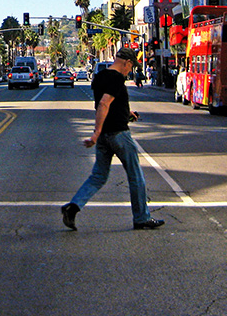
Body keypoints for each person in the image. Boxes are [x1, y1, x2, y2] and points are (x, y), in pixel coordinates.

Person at [61, 47, 164, 231]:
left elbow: (108, 104)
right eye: (131, 66)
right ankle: (141, 218)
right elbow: (104, 103)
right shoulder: (117, 78)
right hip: (118, 134)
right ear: (126, 62)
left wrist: (127, 114)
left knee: (98, 176)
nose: (130, 71)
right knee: (136, 176)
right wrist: (96, 132)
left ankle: (73, 206)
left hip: (105, 136)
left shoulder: (99, 76)